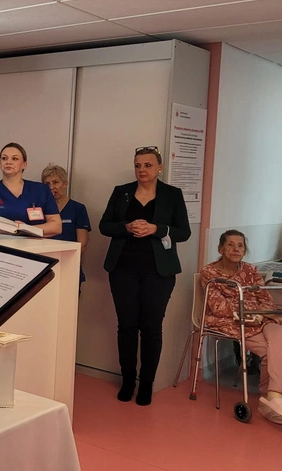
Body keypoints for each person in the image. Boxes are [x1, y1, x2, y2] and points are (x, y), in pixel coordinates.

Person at [99, 145, 190, 406]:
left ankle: (146, 384)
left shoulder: (172, 194)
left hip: (158, 272)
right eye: (138, 165)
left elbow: (184, 232)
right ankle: (128, 380)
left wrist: (157, 229)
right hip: (123, 269)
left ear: (159, 167)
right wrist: (127, 227)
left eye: (148, 165)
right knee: (127, 326)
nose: (142, 170)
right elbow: (105, 225)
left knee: (151, 328)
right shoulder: (122, 192)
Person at [200, 230, 282, 425]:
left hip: (262, 318)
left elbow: (265, 298)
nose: (236, 249)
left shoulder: (250, 270)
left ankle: (273, 397)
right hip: (233, 321)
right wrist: (249, 314)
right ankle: (273, 398)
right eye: (230, 245)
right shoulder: (209, 272)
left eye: (240, 245)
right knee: (271, 351)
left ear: (244, 250)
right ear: (220, 248)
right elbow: (218, 307)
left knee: (280, 332)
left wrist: (259, 314)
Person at [0, 142, 62, 238]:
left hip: (32, 246)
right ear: (0, 164)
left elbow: (56, 226)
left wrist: (25, 229)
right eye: (4, 158)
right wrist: (2, 230)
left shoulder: (41, 190)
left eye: (14, 159)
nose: (8, 162)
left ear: (24, 165)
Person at [41, 164, 90, 285]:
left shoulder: (78, 209)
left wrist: (64, 261)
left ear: (65, 184)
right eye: (47, 184)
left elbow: (82, 244)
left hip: (69, 265)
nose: (51, 187)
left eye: (55, 182)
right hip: (45, 266)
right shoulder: (39, 210)